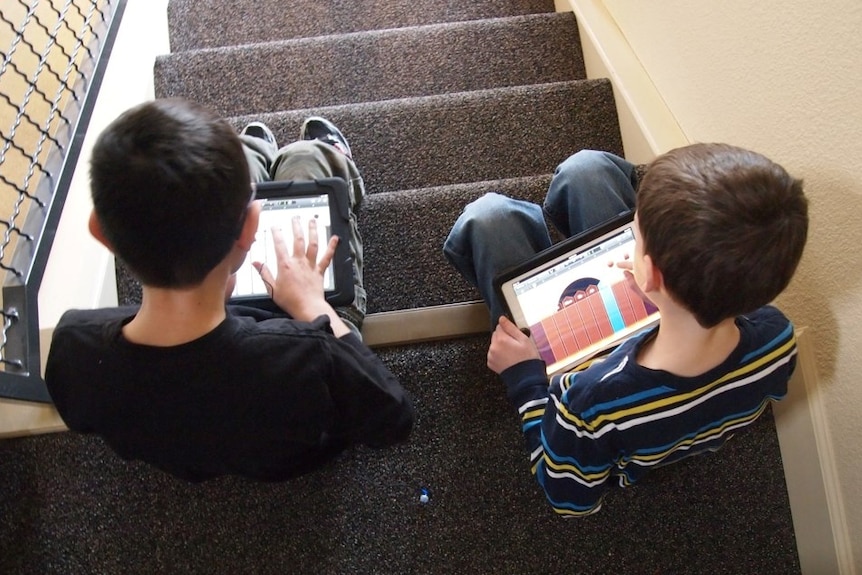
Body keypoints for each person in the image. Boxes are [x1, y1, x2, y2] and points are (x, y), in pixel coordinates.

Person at [45, 98, 414, 482]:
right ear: (250, 228)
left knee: (229, 179)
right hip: (290, 452)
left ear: (100, 232)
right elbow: (392, 416)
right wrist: (311, 304)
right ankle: (304, 155)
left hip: (198, 452)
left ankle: (253, 151)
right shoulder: (312, 355)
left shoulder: (74, 347)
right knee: (307, 163)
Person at [443, 144, 808, 516]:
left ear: (649, 274)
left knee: (488, 217)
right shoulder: (778, 338)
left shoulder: (585, 400)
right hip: (670, 407)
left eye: (633, 235)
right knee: (587, 168)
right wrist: (662, 296)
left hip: (595, 416)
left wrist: (524, 380)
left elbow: (569, 500)